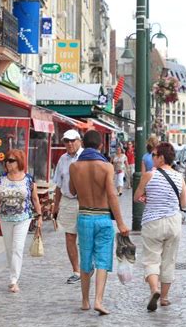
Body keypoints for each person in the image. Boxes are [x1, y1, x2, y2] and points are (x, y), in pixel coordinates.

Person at [69, 130, 130, 315]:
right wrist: (120, 223)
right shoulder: (106, 167)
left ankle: (85, 300)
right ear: (101, 146)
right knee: (103, 259)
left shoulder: (74, 166)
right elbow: (112, 196)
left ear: (83, 144)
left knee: (85, 259)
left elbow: (72, 191)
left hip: (84, 217)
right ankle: (98, 300)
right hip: (103, 217)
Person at [134, 142, 186, 312]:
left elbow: (137, 197)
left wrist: (147, 199)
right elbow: (184, 203)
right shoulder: (180, 178)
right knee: (169, 260)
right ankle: (164, 298)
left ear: (161, 158)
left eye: (154, 155)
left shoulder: (148, 176)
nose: (151, 157)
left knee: (151, 259)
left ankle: (154, 289)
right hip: (173, 222)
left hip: (153, 222)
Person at [0, 149, 43, 293]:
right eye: (6, 161)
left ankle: (13, 279)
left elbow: (35, 199)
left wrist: (39, 216)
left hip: (23, 218)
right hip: (5, 217)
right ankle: (13, 273)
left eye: (11, 160)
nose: (7, 163)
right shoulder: (1, 179)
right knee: (9, 249)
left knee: (17, 247)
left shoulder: (28, 180)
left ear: (19, 162)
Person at [52, 129, 84, 284]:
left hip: (85, 201)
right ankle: (76, 271)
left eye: (72, 140)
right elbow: (58, 184)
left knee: (85, 237)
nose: (69, 144)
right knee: (70, 236)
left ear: (79, 141)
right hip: (68, 201)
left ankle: (86, 268)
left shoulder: (85, 157)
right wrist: (55, 205)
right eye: (66, 141)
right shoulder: (63, 159)